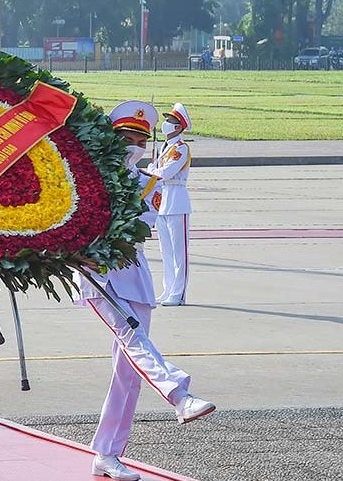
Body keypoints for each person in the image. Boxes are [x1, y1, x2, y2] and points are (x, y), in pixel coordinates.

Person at [78, 101, 215, 480]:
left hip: (133, 275)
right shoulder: (86, 178)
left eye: (140, 141)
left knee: (128, 372)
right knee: (132, 336)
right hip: (97, 276)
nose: (134, 147)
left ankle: (107, 454)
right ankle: (179, 394)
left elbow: (137, 229)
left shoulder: (148, 184)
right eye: (127, 138)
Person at [149, 102, 193, 306]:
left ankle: (178, 294)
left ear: (178, 127)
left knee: (179, 252)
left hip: (177, 200)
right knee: (166, 251)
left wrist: (151, 170)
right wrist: (154, 169)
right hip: (163, 200)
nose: (165, 123)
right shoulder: (165, 147)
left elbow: (166, 173)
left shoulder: (181, 148)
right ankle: (168, 289)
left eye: (170, 120)